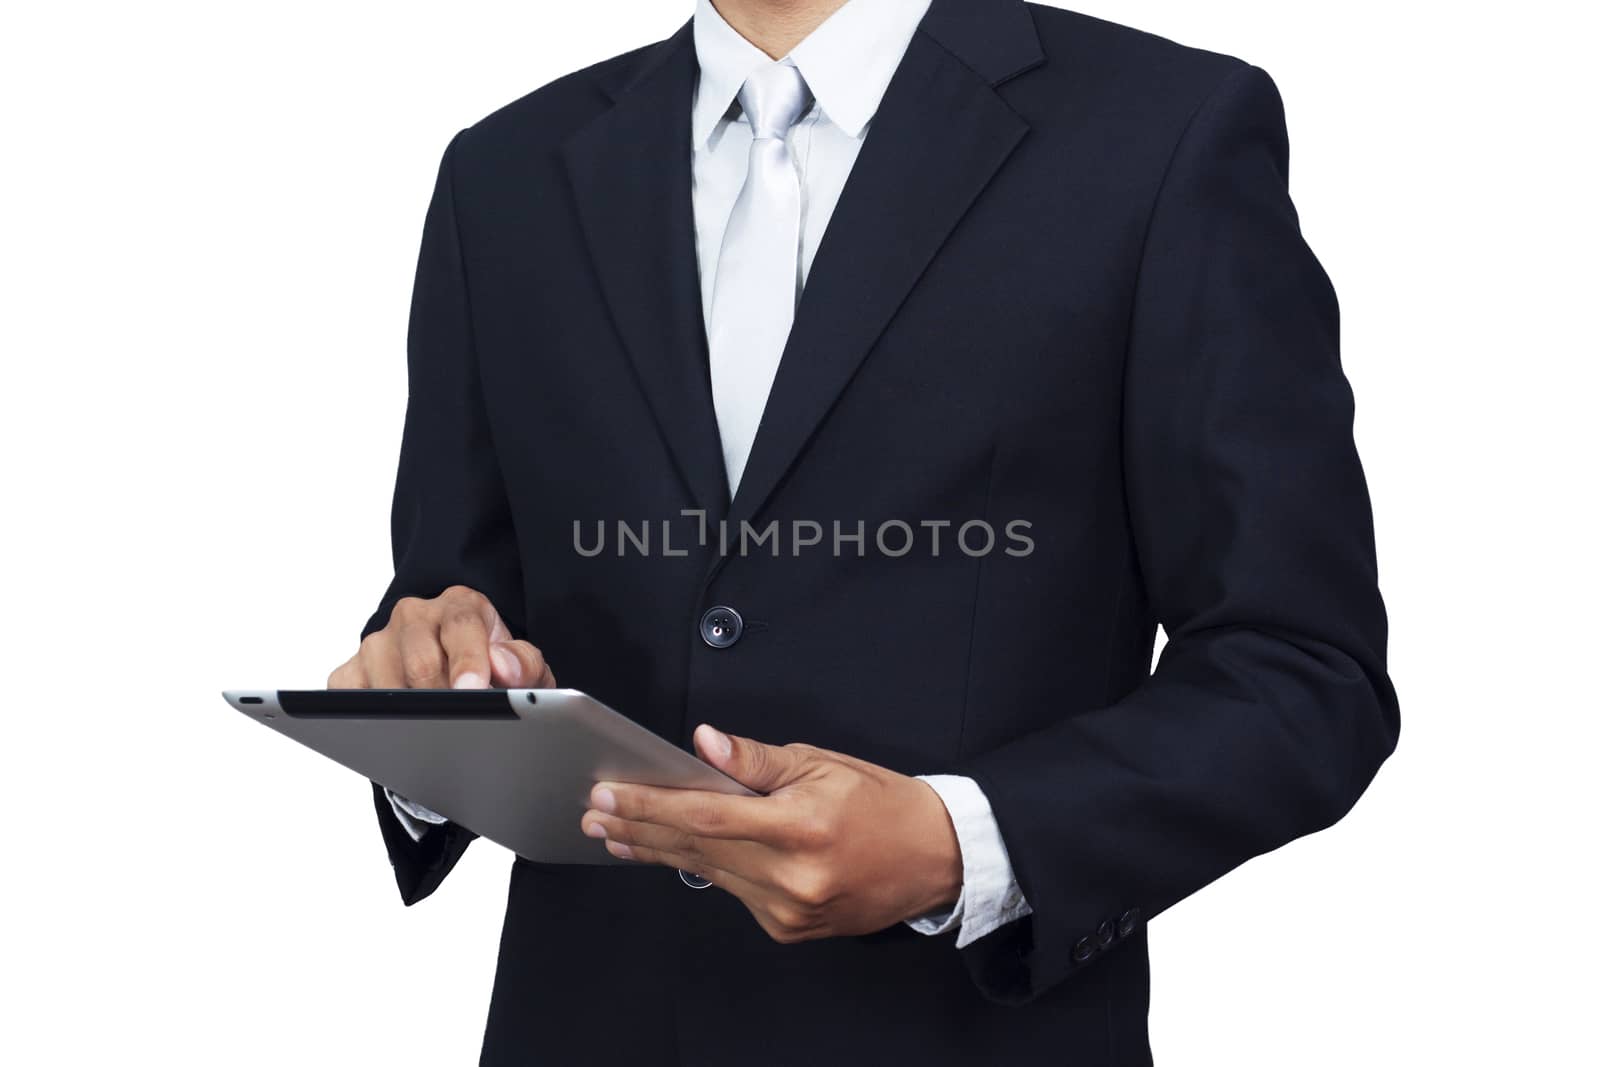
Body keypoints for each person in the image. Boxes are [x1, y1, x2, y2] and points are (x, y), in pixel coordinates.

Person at [325, 0, 1400, 1063]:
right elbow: (451, 594)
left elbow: (1302, 671)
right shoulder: (505, 171)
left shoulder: (1163, 131)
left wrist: (963, 843)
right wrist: (429, 685)